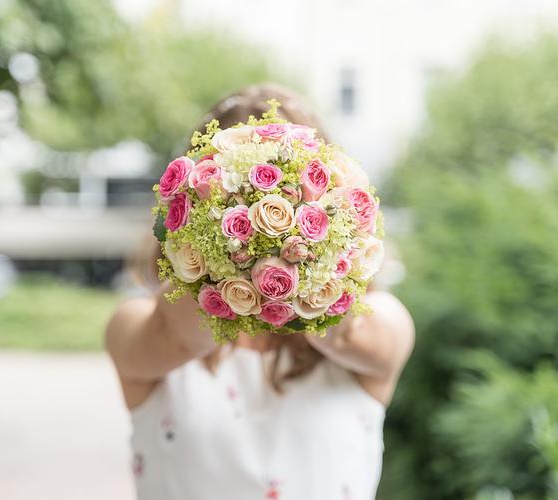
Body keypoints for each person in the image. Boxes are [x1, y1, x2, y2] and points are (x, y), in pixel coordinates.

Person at [106, 84, 415, 500]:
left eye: (288, 182)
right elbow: (179, 333)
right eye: (235, 188)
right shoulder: (139, 326)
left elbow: (344, 332)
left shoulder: (380, 323)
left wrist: (300, 252)